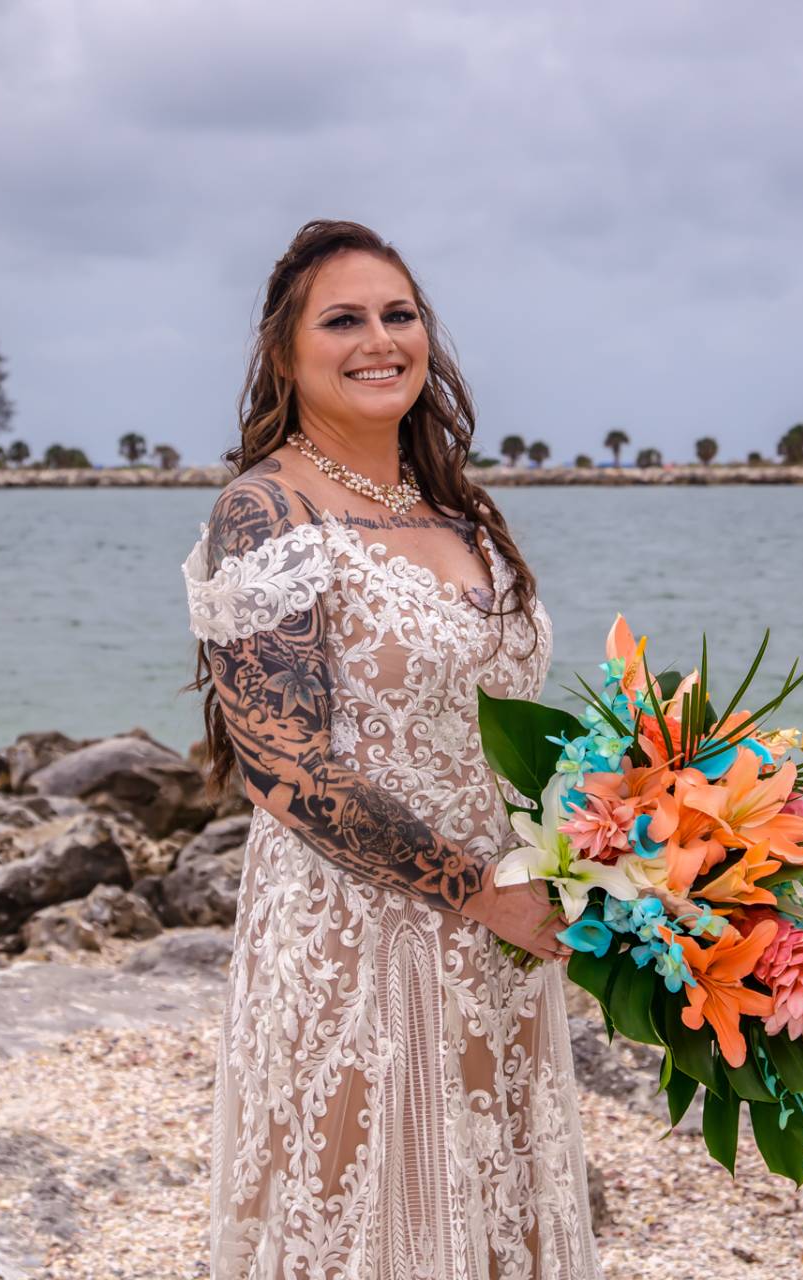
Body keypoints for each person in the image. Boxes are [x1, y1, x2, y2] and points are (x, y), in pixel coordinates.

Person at [182, 219, 604, 1278]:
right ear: (285, 352)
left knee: (488, 1205)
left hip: (502, 930)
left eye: (399, 314)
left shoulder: (458, 507)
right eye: (344, 319)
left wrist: (620, 841)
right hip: (354, 933)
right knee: (369, 1220)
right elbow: (284, 767)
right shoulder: (265, 510)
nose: (380, 339)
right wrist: (477, 887)